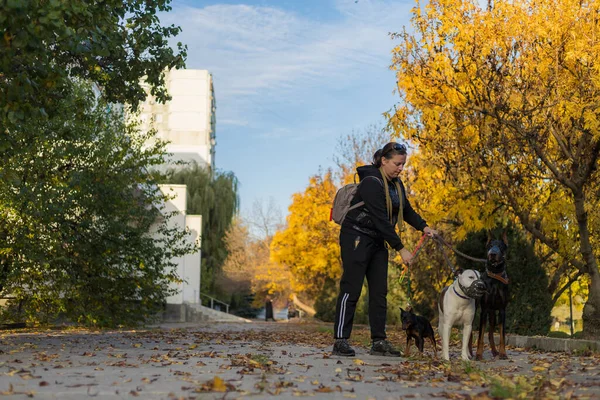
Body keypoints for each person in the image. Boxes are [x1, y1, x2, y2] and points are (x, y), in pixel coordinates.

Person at [332, 142, 437, 357]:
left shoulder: (396, 185)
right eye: (397, 164)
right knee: (351, 288)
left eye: (403, 164)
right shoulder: (371, 182)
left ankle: (378, 342)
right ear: (384, 161)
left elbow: (406, 210)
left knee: (380, 292)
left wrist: (424, 227)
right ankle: (340, 340)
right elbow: (381, 219)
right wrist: (401, 248)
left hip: (377, 240)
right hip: (356, 236)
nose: (400, 168)